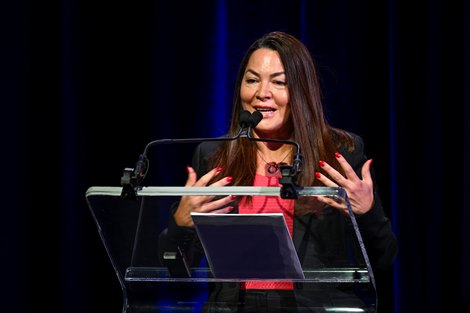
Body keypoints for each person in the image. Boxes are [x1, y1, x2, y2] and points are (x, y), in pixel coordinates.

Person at [158, 31, 398, 312]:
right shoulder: (214, 158)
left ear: (302, 90)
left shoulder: (339, 155)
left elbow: (383, 259)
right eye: (251, 80)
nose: (262, 94)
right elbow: (175, 268)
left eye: (279, 82)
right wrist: (181, 224)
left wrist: (366, 213)